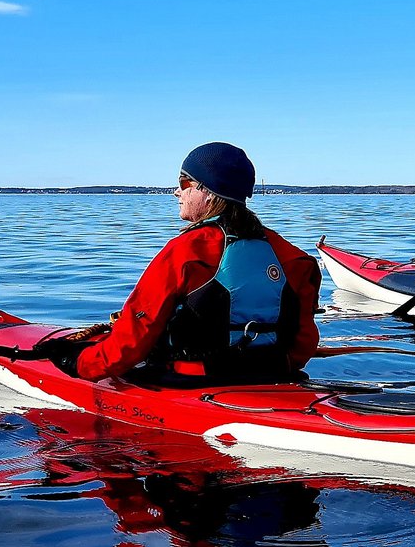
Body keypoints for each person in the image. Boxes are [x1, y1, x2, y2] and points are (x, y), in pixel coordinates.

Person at [47, 142, 320, 385]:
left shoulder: (187, 251)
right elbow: (304, 343)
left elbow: (132, 341)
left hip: (191, 380)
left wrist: (80, 364)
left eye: (184, 183)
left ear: (209, 192)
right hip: (274, 376)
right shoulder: (291, 256)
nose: (177, 192)